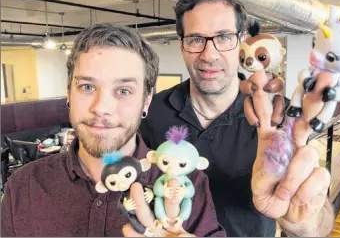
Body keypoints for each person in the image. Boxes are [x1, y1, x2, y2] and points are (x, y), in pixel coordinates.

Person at [139, 0, 335, 237]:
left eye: (223, 37)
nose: (209, 55)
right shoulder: (151, 112)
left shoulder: (282, 116)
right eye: (196, 39)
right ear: (182, 45)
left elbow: (319, 224)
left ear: (241, 42)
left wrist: (302, 220)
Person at [0, 23, 225, 237]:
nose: (101, 108)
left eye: (124, 91)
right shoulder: (23, 186)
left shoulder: (187, 184)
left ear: (146, 101)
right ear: (69, 94)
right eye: (87, 87)